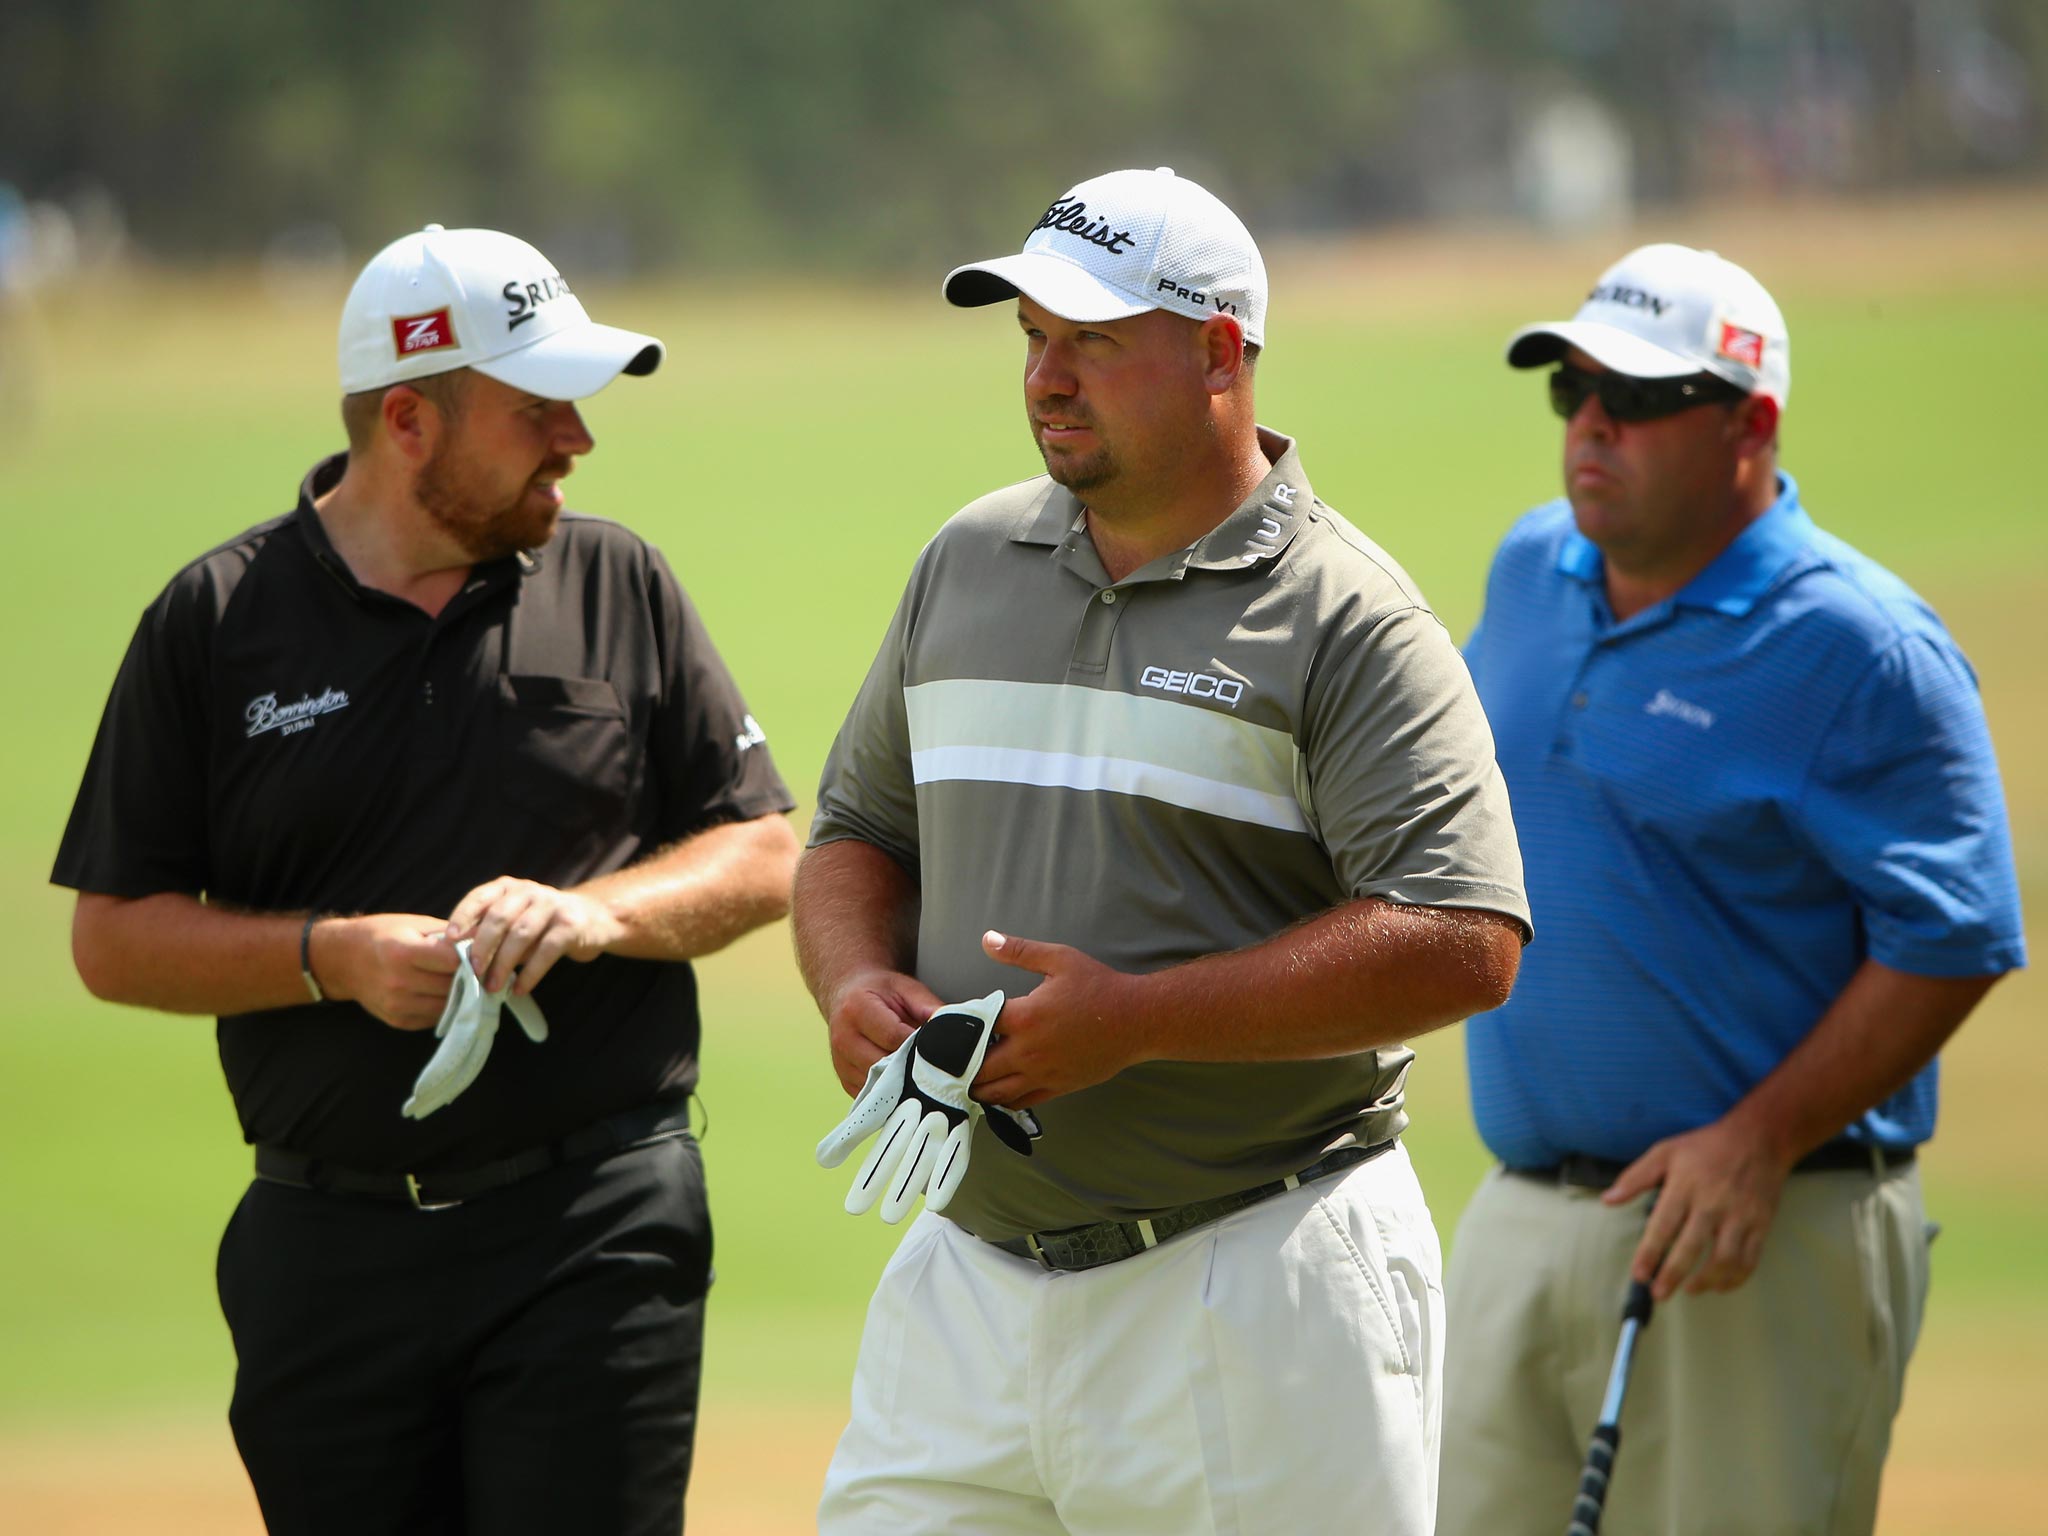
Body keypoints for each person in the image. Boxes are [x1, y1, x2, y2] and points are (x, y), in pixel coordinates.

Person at [792, 166, 1531, 1536]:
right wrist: (849, 982)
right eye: (1031, 337)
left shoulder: (1347, 617)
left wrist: (1139, 1023)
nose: (1047, 376)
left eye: (1091, 339)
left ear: (1218, 352)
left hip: (1259, 1279)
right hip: (967, 1277)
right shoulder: (967, 562)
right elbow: (855, 834)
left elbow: (1464, 936)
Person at [52, 224, 800, 1535]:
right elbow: (114, 937)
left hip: (594, 1225)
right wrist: (324, 956)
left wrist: (597, 913)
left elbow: (764, 852)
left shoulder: (616, 579)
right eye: (536, 410)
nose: (578, 438)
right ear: (408, 418)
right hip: (327, 1254)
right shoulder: (217, 621)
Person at [1441, 243, 2026, 1535]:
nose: (1592, 424)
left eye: (1639, 400)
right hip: (1520, 1217)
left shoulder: (1861, 646)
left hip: (1749, 1240)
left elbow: (1959, 934)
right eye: (1573, 390)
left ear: (1749, 426)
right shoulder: (1532, 573)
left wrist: (1760, 1138)